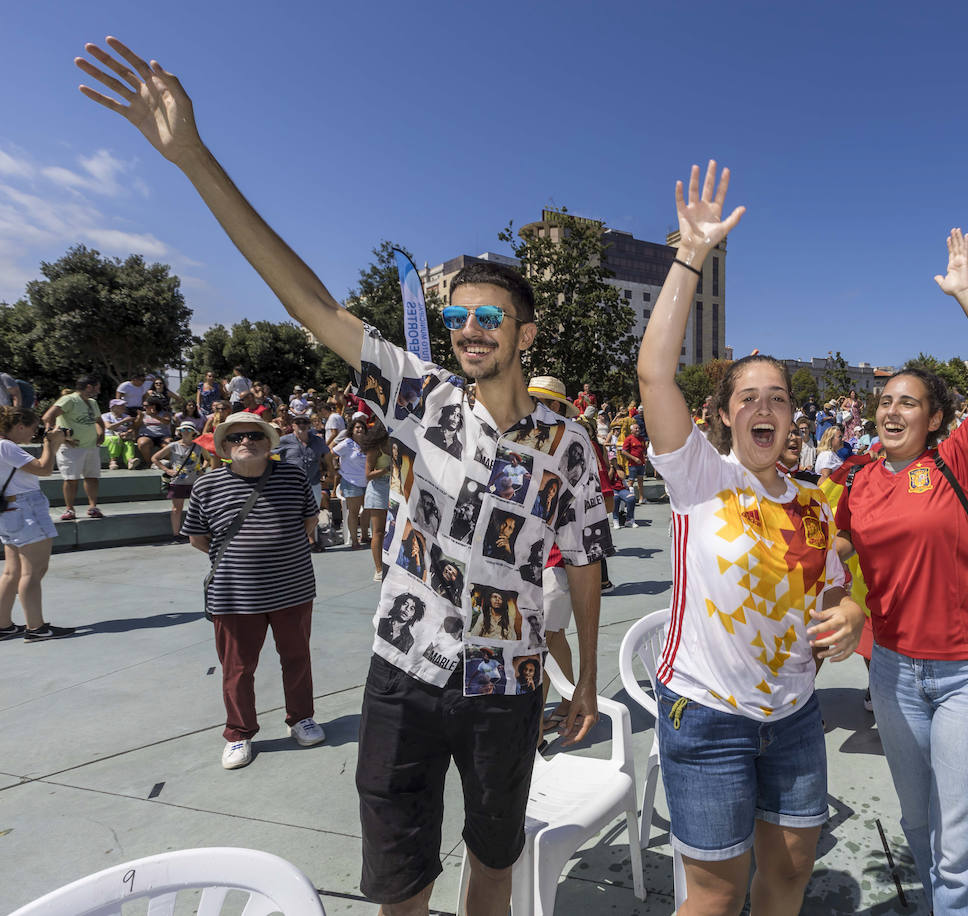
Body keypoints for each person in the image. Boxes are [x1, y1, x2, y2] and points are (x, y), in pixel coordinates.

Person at [79, 36, 614, 913]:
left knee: (493, 858)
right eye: (459, 316)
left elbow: (586, 562)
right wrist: (194, 160)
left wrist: (585, 676)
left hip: (510, 680)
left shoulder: (570, 443)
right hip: (404, 668)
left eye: (491, 316)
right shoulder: (420, 394)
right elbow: (309, 302)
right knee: (400, 877)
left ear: (526, 334)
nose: (470, 329)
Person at [638, 162, 862, 916]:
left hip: (795, 716)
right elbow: (652, 375)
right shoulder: (701, 478)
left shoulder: (813, 505)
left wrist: (851, 613)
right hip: (707, 715)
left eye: (778, 398)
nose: (764, 408)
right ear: (726, 416)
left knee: (793, 867)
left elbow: (830, 589)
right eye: (748, 398)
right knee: (714, 891)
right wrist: (691, 256)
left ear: (794, 418)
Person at [832, 228, 968, 915]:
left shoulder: (958, 462)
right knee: (919, 826)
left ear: (936, 417)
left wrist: (965, 292)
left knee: (958, 850)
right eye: (884, 400)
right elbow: (837, 558)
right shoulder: (856, 481)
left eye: (908, 401)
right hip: (893, 674)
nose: (891, 409)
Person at [181, 411, 323, 768]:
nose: (246, 442)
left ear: (268, 442)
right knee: (237, 668)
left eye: (254, 436)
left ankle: (301, 718)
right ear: (225, 446)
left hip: (292, 588)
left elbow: (309, 518)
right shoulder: (207, 485)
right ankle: (239, 732)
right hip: (234, 592)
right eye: (236, 437)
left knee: (297, 659)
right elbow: (198, 538)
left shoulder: (292, 476)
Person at [0, 408, 73, 641]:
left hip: (9, 510)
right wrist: (51, 444)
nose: (34, 434)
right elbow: (44, 469)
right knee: (34, 570)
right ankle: (36, 627)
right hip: (25, 507)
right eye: (32, 428)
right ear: (19, 425)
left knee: (13, 572)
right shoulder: (7, 446)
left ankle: (3, 625)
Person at [42, 375, 106, 520]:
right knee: (71, 479)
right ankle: (70, 509)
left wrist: (101, 434)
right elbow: (48, 417)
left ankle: (93, 507)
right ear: (89, 387)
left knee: (92, 477)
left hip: (91, 446)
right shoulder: (69, 399)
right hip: (71, 447)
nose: (99, 390)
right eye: (97, 386)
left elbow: (99, 421)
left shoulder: (92, 402)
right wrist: (59, 436)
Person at [275, 415, 331, 552]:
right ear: (292, 425)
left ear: (309, 425)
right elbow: (269, 455)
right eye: (298, 422)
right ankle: (298, 542)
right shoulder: (284, 441)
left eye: (305, 422)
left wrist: (331, 473)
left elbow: (327, 455)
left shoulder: (318, 441)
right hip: (291, 485)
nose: (301, 424)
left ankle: (310, 541)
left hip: (313, 483)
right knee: (294, 514)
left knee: (312, 514)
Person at [152, 422, 206, 541]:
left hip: (195, 480)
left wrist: (202, 468)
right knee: (177, 508)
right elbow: (155, 458)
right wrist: (167, 469)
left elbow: (207, 459)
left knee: (198, 508)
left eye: (188, 429)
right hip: (179, 481)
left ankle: (196, 532)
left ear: (193, 432)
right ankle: (176, 534)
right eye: (183, 429)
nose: (185, 431)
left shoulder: (199, 446)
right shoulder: (173, 445)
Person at [332, 416, 370, 548]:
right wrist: (335, 468)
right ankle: (354, 540)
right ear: (352, 430)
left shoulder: (367, 443)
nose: (360, 429)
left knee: (367, 510)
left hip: (368, 482)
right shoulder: (347, 443)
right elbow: (331, 453)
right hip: (351, 482)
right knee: (353, 512)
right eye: (357, 427)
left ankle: (365, 535)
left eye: (362, 427)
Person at [362, 423, 392, 580]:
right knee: (379, 532)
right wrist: (387, 469)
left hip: (395, 489)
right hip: (378, 490)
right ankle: (379, 569)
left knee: (393, 530)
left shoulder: (396, 444)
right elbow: (368, 475)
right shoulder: (375, 448)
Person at [101, 398, 139, 470]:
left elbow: (130, 428)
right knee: (115, 439)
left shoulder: (126, 416)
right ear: (113, 407)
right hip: (108, 437)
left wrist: (127, 433)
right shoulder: (105, 416)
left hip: (122, 437)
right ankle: (113, 462)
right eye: (121, 405)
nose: (124, 407)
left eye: (123, 405)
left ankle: (130, 461)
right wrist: (123, 421)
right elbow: (109, 427)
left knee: (129, 442)